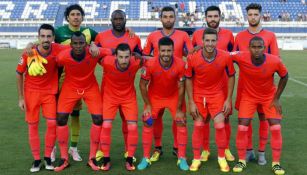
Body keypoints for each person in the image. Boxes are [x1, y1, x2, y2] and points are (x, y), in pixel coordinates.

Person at [54, 32, 112, 172]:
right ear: (71, 44)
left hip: (90, 87)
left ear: (86, 44)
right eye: (75, 43)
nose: (78, 46)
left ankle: (92, 158)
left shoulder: (94, 52)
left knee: (98, 119)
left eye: (81, 43)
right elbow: (56, 65)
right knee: (61, 119)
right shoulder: (63, 56)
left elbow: (114, 50)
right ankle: (64, 158)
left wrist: (137, 54)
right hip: (70, 87)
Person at [231, 36, 288, 175]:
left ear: (264, 48)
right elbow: (223, 53)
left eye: (259, 47)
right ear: (249, 48)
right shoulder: (241, 56)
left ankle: (276, 163)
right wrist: (200, 48)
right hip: (249, 97)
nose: (256, 50)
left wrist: (276, 98)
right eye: (253, 47)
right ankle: (242, 160)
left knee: (275, 127)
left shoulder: (274, 61)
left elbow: (285, 76)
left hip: (268, 97)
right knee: (242, 126)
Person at [143, 6, 193, 160]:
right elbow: (145, 56)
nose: (168, 19)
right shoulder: (152, 36)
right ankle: (157, 148)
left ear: (175, 18)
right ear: (161, 18)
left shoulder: (183, 35)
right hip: (156, 87)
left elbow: (190, 54)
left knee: (178, 119)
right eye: (165, 16)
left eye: (171, 16)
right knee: (153, 119)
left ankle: (177, 148)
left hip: (177, 86)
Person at [234, 3, 279, 165]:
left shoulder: (270, 36)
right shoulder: (239, 37)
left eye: (255, 14)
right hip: (245, 86)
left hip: (265, 88)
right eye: (250, 14)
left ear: (261, 15)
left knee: (263, 118)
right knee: (246, 120)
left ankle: (261, 152)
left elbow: (275, 61)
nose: (253, 17)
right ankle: (248, 151)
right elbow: (236, 57)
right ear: (247, 16)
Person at [94, 10, 142, 162]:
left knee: (127, 120)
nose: (119, 21)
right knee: (104, 121)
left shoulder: (133, 38)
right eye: (116, 18)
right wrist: (108, 65)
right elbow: (94, 53)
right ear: (111, 20)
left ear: (126, 19)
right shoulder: (101, 36)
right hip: (108, 85)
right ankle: (102, 149)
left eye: (121, 18)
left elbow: (139, 56)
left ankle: (129, 151)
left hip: (127, 86)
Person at [16, 24, 64, 173]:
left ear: (53, 38)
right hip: (31, 94)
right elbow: (19, 73)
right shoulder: (28, 52)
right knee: (33, 126)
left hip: (50, 93)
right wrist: (21, 98)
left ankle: (48, 157)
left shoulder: (58, 49)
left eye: (49, 36)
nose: (46, 39)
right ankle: (36, 160)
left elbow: (78, 47)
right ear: (38, 37)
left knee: (51, 124)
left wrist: (94, 45)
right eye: (42, 36)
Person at [185, 28, 235, 172]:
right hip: (199, 96)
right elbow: (188, 79)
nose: (210, 44)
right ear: (202, 41)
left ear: (217, 41)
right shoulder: (193, 57)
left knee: (220, 126)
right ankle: (196, 158)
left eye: (213, 40)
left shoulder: (225, 56)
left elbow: (231, 76)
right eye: (207, 40)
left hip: (217, 95)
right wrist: (191, 102)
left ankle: (221, 157)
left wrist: (228, 99)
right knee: (199, 126)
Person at [138, 37, 189, 171]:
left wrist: (179, 109)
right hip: (155, 97)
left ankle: (182, 157)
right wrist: (148, 105)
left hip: (174, 97)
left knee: (181, 121)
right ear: (158, 51)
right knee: (148, 120)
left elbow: (182, 87)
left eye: (169, 50)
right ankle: (145, 157)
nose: (166, 54)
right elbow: (142, 85)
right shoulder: (149, 64)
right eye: (163, 51)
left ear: (173, 50)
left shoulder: (180, 64)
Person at [99, 43, 144, 171]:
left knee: (133, 127)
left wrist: (140, 55)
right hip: (110, 98)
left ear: (131, 56)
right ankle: (106, 159)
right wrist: (105, 49)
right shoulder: (107, 62)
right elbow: (93, 54)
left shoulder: (136, 62)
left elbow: (153, 60)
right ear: (115, 56)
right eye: (121, 57)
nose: (124, 60)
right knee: (106, 126)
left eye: (126, 57)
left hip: (128, 98)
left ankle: (129, 159)